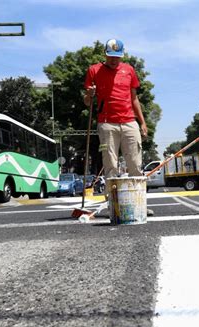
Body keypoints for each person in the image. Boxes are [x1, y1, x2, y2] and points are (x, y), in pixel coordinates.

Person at [84, 39, 153, 215]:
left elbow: (134, 98)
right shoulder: (94, 70)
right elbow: (87, 102)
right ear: (105, 53)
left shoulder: (129, 70)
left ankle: (140, 205)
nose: (114, 60)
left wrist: (142, 122)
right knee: (110, 165)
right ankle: (113, 206)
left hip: (130, 121)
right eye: (111, 56)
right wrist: (89, 95)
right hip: (106, 123)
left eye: (118, 57)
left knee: (136, 164)